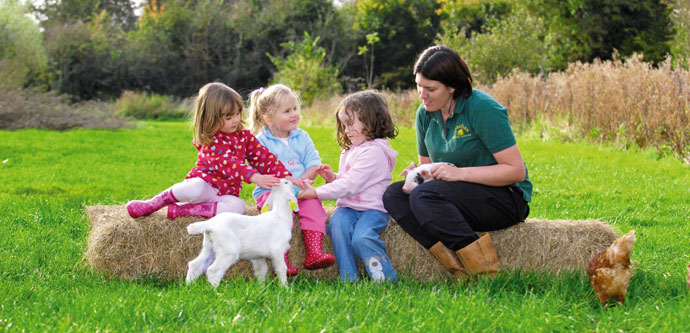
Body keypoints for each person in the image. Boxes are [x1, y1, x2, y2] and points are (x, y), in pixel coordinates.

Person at [382, 45, 532, 280]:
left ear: (452, 87)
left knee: (424, 196)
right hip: (455, 198)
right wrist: (418, 173)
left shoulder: (482, 108)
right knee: (394, 195)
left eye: (431, 88)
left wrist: (458, 173)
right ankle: (456, 269)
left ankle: (485, 272)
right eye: (418, 86)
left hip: (504, 198)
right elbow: (429, 168)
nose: (422, 95)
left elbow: (516, 171)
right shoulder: (424, 114)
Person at [126, 82, 292, 220]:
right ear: (211, 118)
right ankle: (152, 204)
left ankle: (184, 211)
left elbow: (263, 157)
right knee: (194, 188)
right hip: (204, 186)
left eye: (238, 113)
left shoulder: (244, 137)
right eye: (229, 117)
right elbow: (227, 162)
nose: (235, 120)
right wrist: (254, 177)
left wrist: (285, 176)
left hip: (225, 194)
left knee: (238, 207)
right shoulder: (211, 141)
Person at [298, 90, 399, 283]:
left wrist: (316, 193)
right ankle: (348, 279)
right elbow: (347, 179)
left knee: (362, 237)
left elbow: (352, 184)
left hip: (372, 209)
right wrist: (333, 177)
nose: (346, 130)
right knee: (337, 224)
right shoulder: (352, 149)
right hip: (349, 207)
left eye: (351, 123)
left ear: (371, 120)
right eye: (344, 125)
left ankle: (385, 279)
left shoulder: (375, 152)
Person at [247, 84, 336, 276]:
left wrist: (302, 182)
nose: (294, 114)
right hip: (272, 192)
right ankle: (283, 262)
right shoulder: (260, 142)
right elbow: (260, 172)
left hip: (302, 189)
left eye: (295, 109)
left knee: (315, 209)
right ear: (268, 118)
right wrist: (288, 186)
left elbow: (313, 164)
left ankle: (314, 253)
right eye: (287, 111)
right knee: (279, 217)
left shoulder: (302, 137)